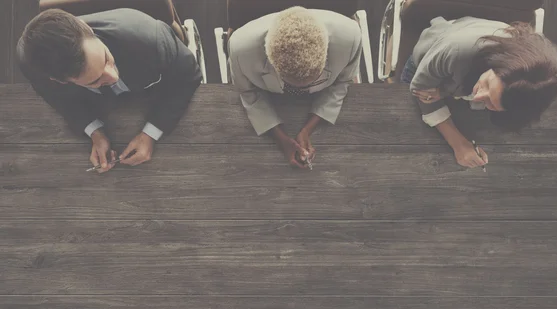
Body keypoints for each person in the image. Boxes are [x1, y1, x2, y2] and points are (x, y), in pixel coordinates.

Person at [17, 8, 202, 172]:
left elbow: (188, 75)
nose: (113, 77)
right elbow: (61, 101)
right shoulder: (37, 70)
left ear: (86, 27)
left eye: (105, 58)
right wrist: (95, 132)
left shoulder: (148, 37)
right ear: (58, 81)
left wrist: (151, 133)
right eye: (95, 80)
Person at [401, 17, 557, 168]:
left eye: (491, 103)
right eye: (488, 84)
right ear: (496, 65)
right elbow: (420, 89)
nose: (477, 97)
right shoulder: (457, 49)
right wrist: (458, 144)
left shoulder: (551, 83)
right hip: (427, 59)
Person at [228, 7, 362, 169]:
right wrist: (281, 138)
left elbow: (343, 82)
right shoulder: (240, 51)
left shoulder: (351, 39)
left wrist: (307, 129)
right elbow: (248, 92)